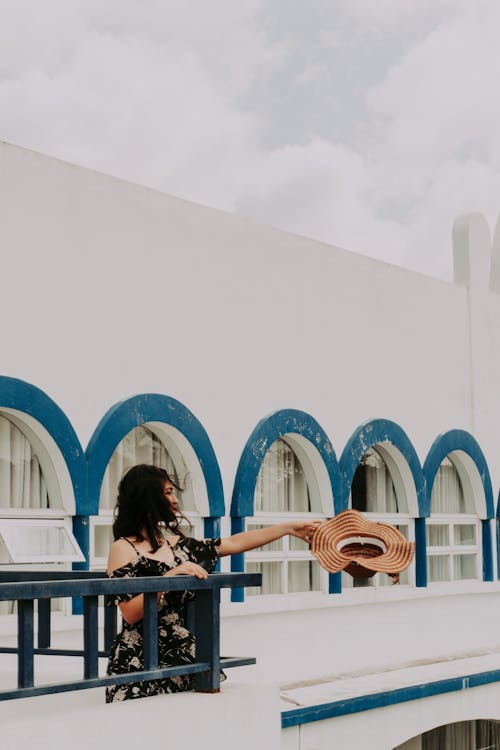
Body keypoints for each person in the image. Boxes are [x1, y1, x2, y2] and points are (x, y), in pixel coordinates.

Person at [105, 463, 319, 702]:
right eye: (167, 492)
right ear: (147, 498)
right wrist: (168, 579)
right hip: (139, 660)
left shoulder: (179, 546)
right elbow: (130, 614)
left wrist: (288, 528)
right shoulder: (123, 548)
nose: (175, 500)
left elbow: (234, 543)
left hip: (183, 653)